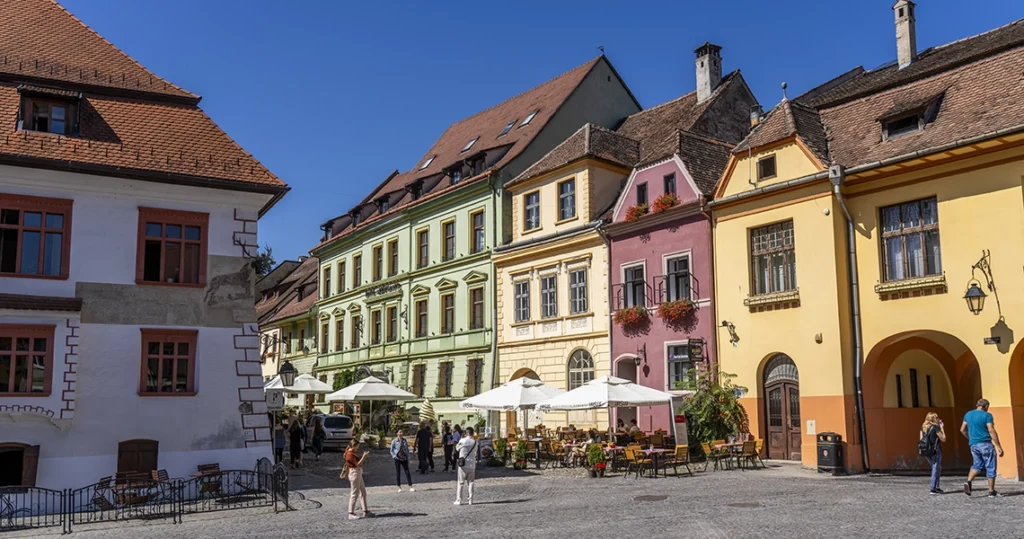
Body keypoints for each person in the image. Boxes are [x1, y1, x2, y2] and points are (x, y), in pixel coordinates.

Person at [961, 398, 1004, 497]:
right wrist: (998, 446)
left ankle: (968, 481)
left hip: (973, 444)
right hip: (985, 444)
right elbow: (991, 430)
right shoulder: (987, 415)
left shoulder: (968, 414)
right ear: (986, 407)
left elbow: (962, 429)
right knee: (990, 466)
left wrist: (970, 438)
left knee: (977, 465)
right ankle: (991, 491)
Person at [341, 438, 373, 520]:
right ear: (354, 446)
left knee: (363, 492)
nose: (358, 448)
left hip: (358, 473)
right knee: (354, 493)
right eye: (357, 446)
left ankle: (365, 511)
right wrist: (364, 457)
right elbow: (357, 464)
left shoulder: (351, 452)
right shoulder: (350, 454)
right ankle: (350, 513)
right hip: (354, 473)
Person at [919, 412, 947, 494]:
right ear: (933, 419)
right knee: (935, 468)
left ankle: (936, 486)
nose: (939, 419)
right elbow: (943, 439)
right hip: (935, 450)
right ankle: (933, 488)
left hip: (926, 450)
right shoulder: (935, 428)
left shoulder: (923, 428)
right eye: (937, 417)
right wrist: (942, 428)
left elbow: (921, 440)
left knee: (937, 467)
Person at [454, 426, 478, 506]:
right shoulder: (475, 442)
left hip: (463, 464)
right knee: (471, 482)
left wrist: (462, 439)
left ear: (466, 433)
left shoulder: (462, 440)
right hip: (472, 464)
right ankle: (470, 500)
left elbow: (457, 448)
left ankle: (459, 500)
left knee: (460, 483)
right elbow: (476, 451)